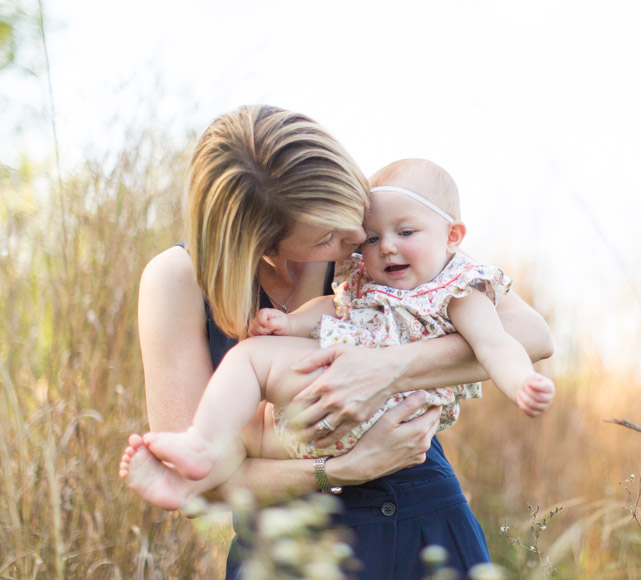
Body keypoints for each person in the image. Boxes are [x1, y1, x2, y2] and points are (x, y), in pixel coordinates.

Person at [119, 105, 554, 580]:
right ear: (261, 242)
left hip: (421, 514)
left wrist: (389, 369)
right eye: (331, 235)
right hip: (289, 548)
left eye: (356, 212)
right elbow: (201, 486)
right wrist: (342, 469)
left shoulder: (387, 231)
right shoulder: (177, 281)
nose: (359, 241)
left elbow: (531, 334)